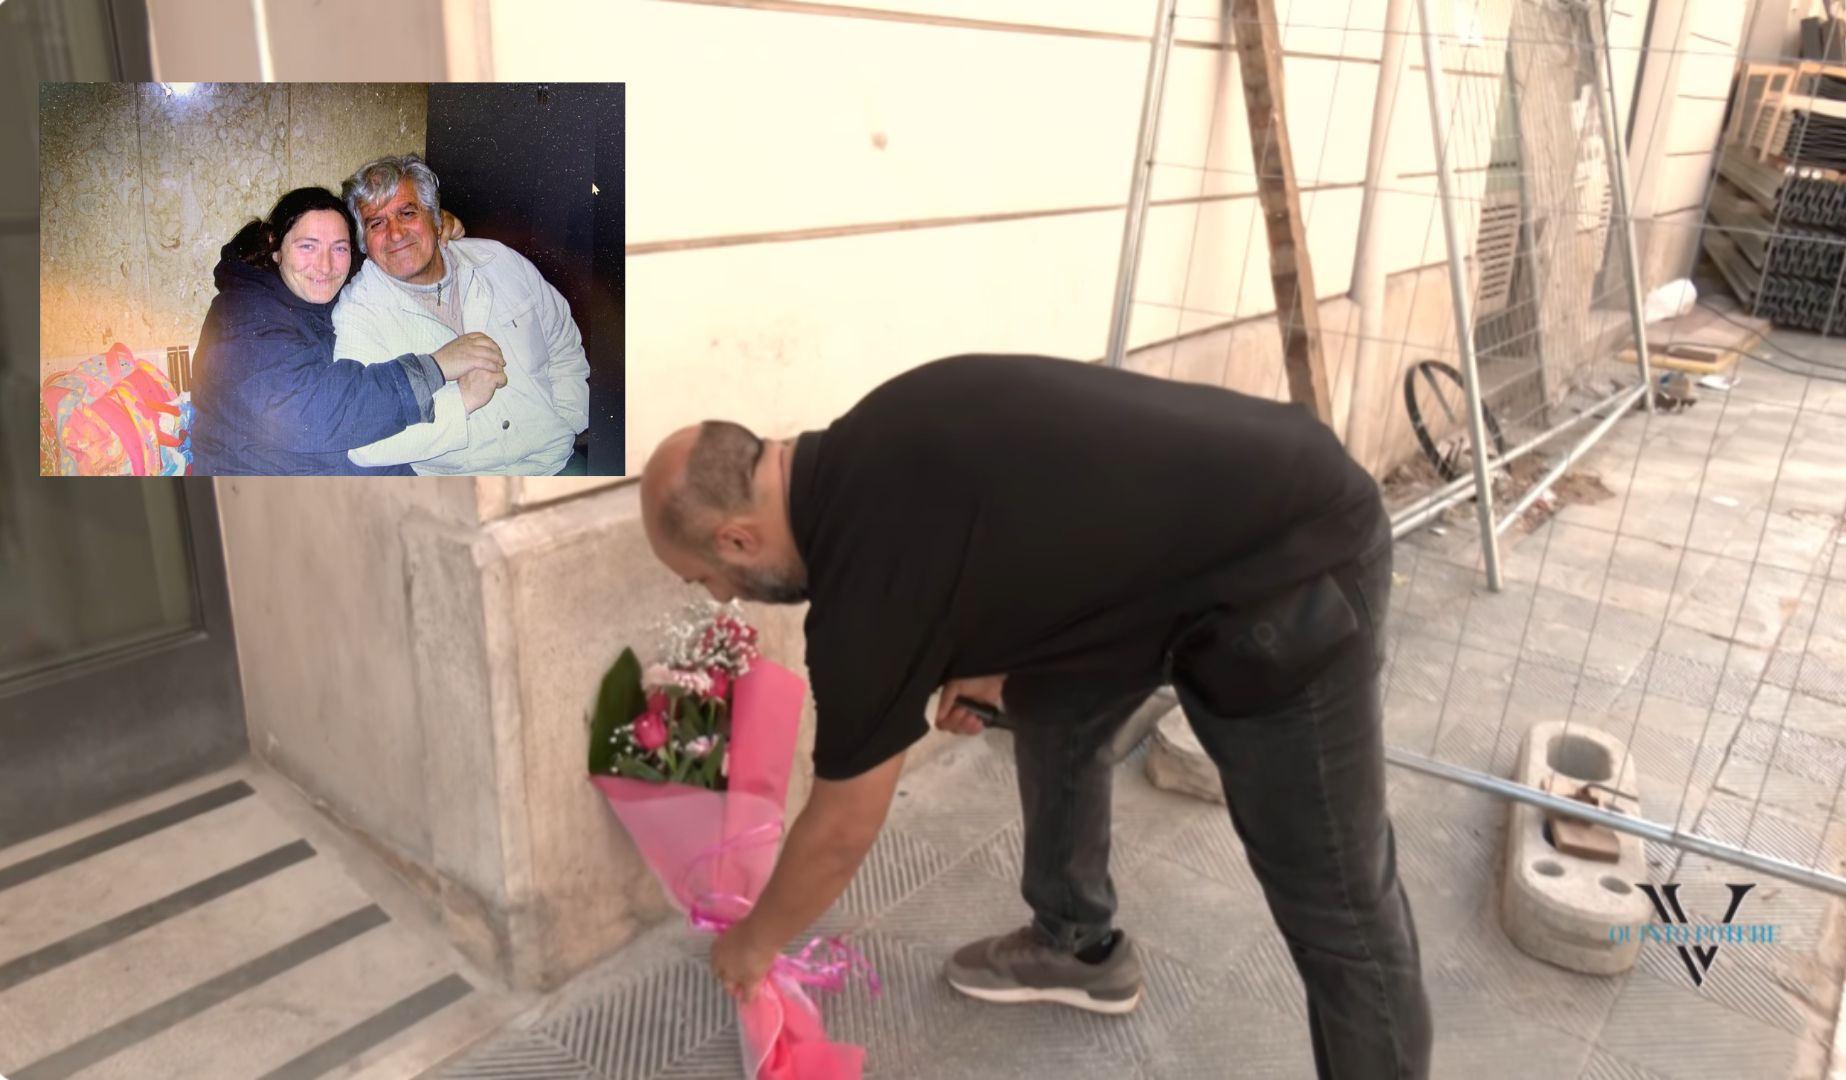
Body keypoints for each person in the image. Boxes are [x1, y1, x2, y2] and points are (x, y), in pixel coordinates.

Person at [638, 354, 1433, 1079]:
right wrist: (996, 651)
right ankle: (1077, 944)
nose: (721, 597)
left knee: (1337, 900)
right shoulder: (874, 435)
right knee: (1053, 706)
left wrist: (754, 944)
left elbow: (842, 829)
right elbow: (1029, 509)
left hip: (1290, 561)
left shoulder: (860, 594)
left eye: (706, 578)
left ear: (736, 539)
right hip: (1200, 543)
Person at [189, 186, 508, 476]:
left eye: (339, 248)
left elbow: (381, 247)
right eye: (308, 246)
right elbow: (312, 414)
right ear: (275, 246)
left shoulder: (310, 289)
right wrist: (435, 367)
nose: (325, 265)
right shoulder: (242, 313)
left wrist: (428, 228)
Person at [332, 154, 591, 476]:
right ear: (363, 243)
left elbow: (562, 339)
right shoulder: (358, 312)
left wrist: (569, 419)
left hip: (555, 462)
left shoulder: (498, 260)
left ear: (436, 218)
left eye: (407, 213)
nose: (395, 233)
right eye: (377, 223)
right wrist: (463, 399)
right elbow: (363, 442)